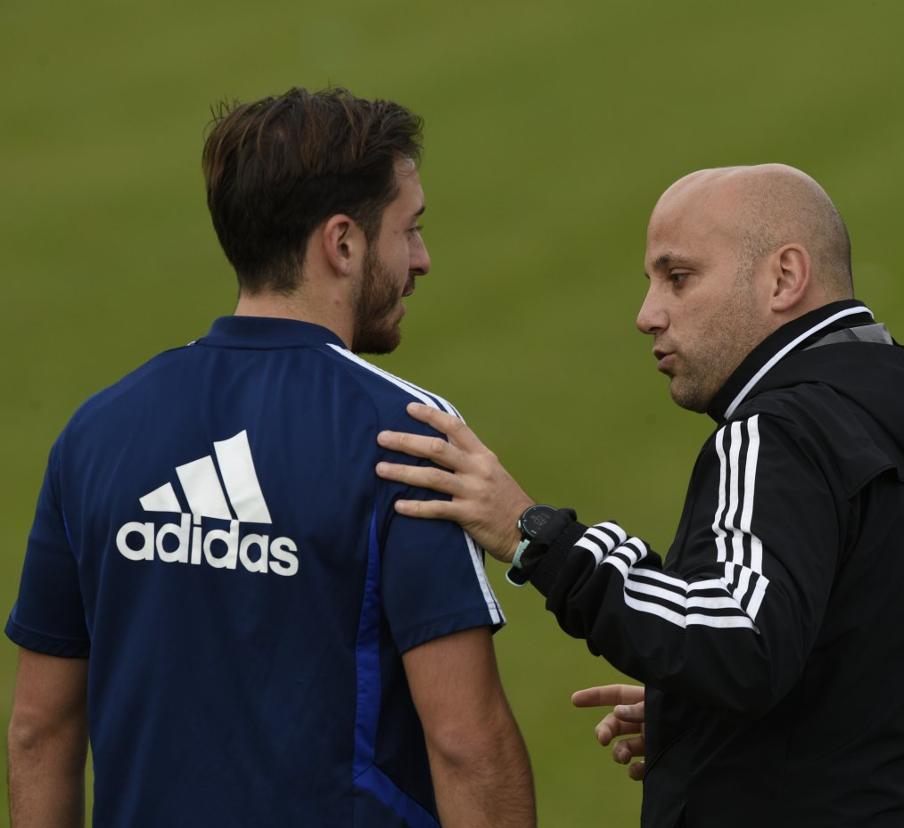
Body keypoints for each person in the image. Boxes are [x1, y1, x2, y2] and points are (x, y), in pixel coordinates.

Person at [375, 164, 904, 826]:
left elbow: (736, 638)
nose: (647, 315)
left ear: (784, 278)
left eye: (679, 277)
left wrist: (538, 535)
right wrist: (717, 733)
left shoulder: (780, 432)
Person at [5, 87, 535, 828]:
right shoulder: (405, 434)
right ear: (342, 243)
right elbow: (465, 744)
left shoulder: (98, 429)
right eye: (408, 231)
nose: (422, 260)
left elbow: (39, 730)